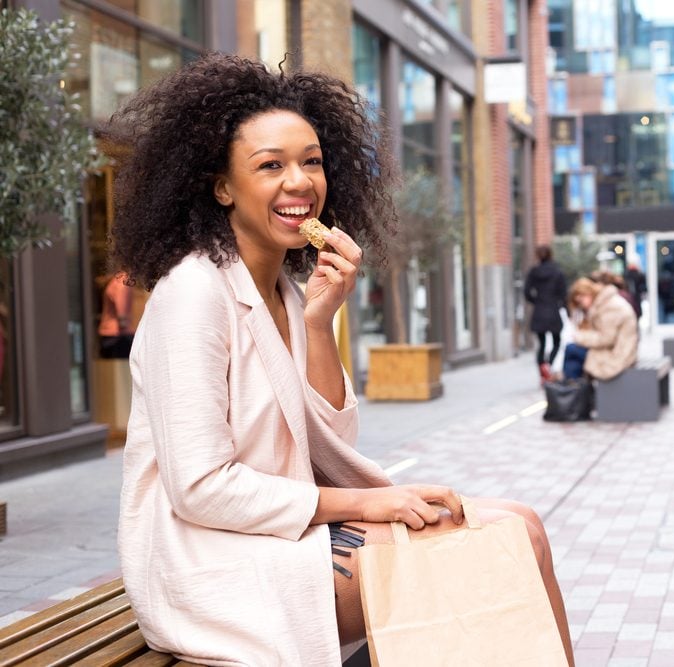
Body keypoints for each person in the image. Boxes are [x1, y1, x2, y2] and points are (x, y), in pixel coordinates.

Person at [108, 53, 573, 665]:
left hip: (282, 534)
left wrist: (320, 323)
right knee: (499, 548)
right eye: (269, 165)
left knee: (523, 524)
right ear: (222, 186)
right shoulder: (194, 293)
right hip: (208, 564)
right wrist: (370, 503)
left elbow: (328, 441)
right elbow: (200, 488)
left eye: (312, 161)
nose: (299, 182)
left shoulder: (287, 292)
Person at [562, 277, 638, 381]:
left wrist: (579, 337)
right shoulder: (604, 302)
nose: (581, 304)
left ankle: (570, 390)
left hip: (618, 355)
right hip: (615, 349)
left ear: (588, 293)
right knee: (573, 358)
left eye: (581, 300)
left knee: (571, 349)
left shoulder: (610, 306)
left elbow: (606, 339)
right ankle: (572, 390)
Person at [524, 245, 567, 382]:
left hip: (539, 310)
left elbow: (527, 292)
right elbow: (563, 293)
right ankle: (548, 365)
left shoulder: (534, 272)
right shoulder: (557, 271)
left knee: (541, 345)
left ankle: (543, 372)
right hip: (553, 310)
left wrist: (536, 301)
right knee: (557, 342)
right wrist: (561, 305)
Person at [97, 272, 135, 359]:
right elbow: (122, 314)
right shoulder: (123, 281)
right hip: (117, 335)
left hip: (111, 333)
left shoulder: (116, 280)